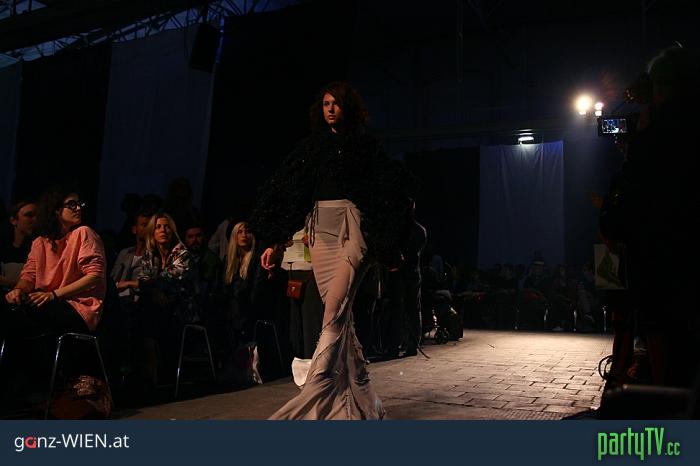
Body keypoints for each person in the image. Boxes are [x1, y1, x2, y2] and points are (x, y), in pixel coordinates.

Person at [249, 81, 414, 419]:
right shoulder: (312, 148)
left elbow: (388, 190)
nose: (330, 109)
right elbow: (292, 194)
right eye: (325, 104)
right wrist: (276, 244)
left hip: (353, 228)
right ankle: (360, 397)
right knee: (342, 317)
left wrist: (390, 244)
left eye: (336, 103)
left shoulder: (366, 146)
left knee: (334, 312)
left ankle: (317, 385)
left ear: (348, 107)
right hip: (320, 231)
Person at [2, 188, 106, 340]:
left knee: (25, 313)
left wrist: (53, 295)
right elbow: (29, 277)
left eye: (79, 204)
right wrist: (18, 290)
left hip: (78, 308)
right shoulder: (39, 243)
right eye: (72, 204)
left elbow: (95, 276)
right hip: (47, 302)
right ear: (56, 210)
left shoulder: (83, 233)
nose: (78, 208)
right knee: (10, 305)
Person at [0, 200, 37, 290]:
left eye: (38, 216)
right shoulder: (3, 246)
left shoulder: (41, 248)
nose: (35, 219)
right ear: (13, 220)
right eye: (29, 215)